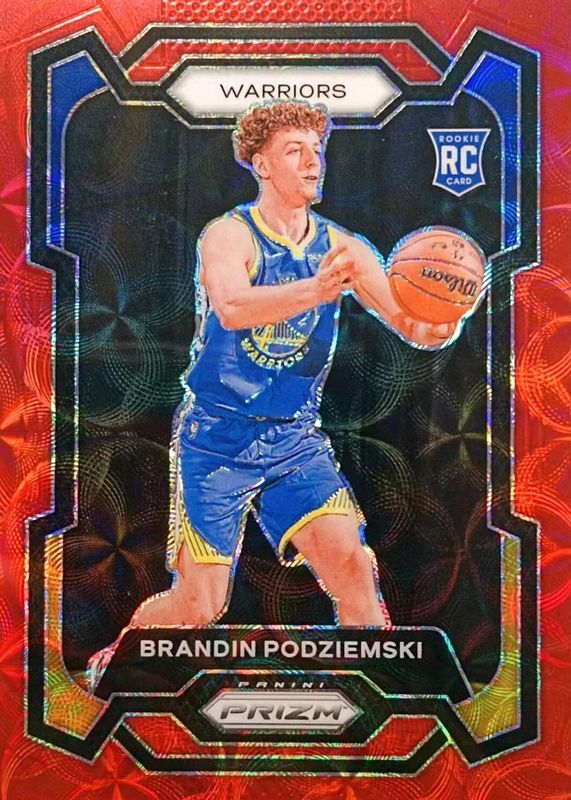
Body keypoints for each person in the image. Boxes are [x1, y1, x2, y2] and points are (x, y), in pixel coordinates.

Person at [88, 100, 461, 687]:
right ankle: (117, 657)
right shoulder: (228, 235)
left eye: (317, 150)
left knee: (354, 570)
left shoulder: (344, 247)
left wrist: (443, 317)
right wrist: (317, 290)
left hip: (294, 441)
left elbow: (408, 323)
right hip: (217, 440)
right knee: (200, 605)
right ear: (261, 163)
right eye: (295, 151)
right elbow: (233, 308)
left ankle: (377, 703)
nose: (313, 162)